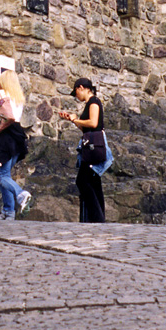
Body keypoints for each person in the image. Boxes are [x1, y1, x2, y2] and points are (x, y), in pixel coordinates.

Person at [58, 77, 105, 223]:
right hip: (90, 145)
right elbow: (85, 127)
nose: (76, 96)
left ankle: (97, 218)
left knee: (82, 181)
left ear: (81, 88)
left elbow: (93, 123)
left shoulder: (93, 102)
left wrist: (75, 120)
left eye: (76, 92)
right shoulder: (89, 103)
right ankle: (98, 218)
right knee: (93, 181)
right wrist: (73, 119)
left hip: (93, 147)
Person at [0, 69, 32, 219]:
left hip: (5, 137)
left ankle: (21, 195)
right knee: (2, 175)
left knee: (3, 175)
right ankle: (8, 211)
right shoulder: (18, 97)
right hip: (18, 136)